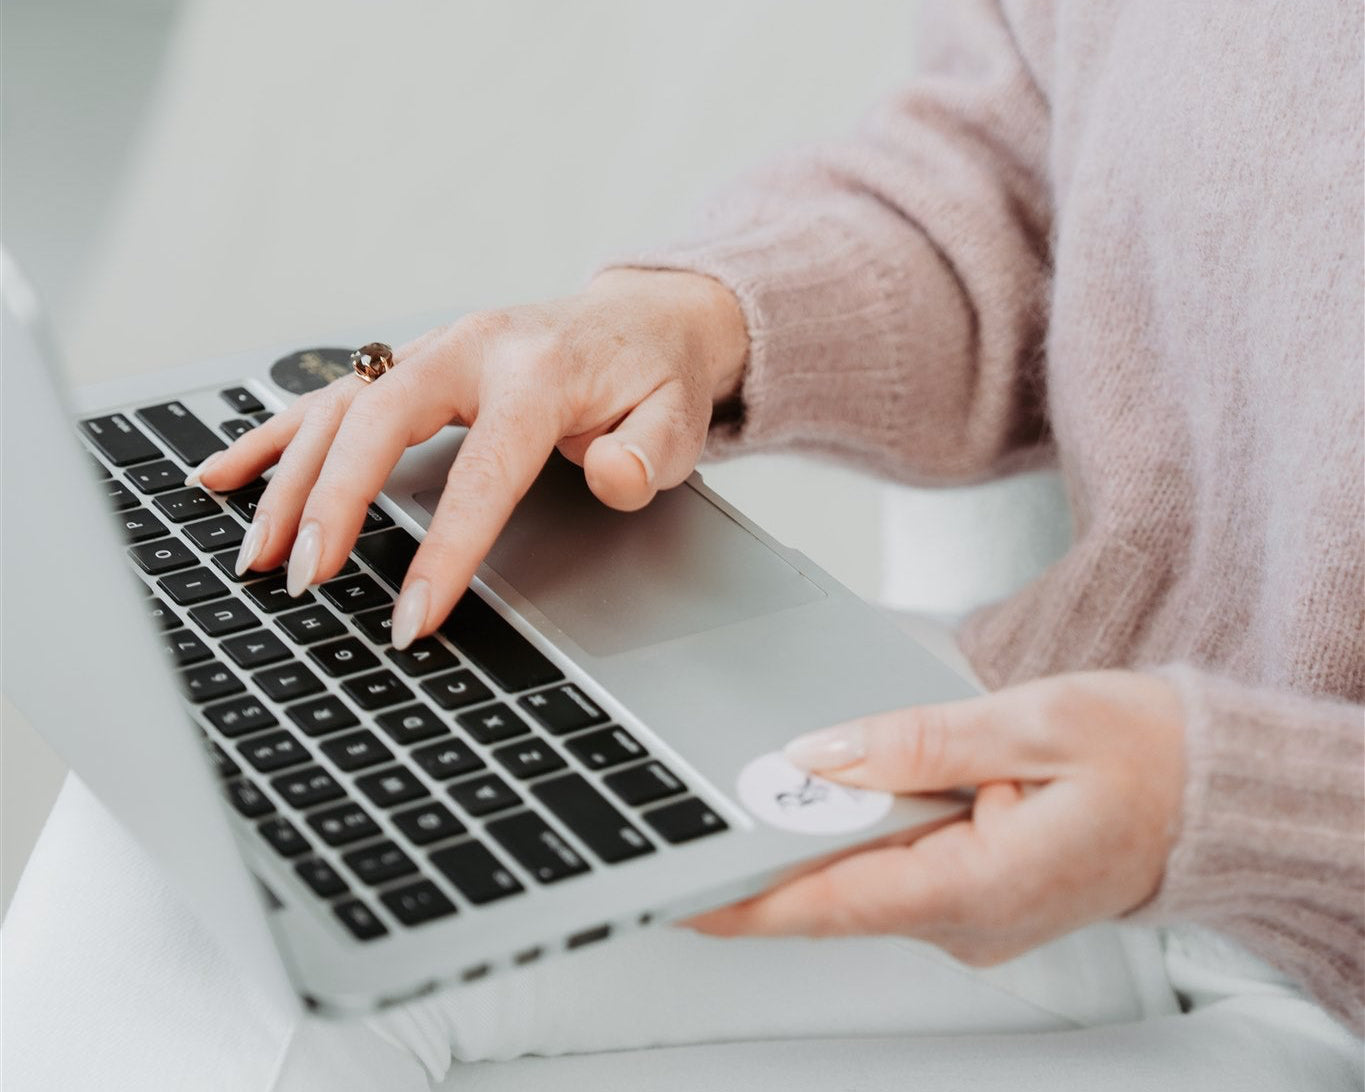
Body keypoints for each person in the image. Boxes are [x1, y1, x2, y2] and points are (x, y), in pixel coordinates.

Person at [5, 1, 1361, 1089]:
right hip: (1057, 751)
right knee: (223, 875)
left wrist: (1238, 807)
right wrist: (687, 322)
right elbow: (1010, 162)